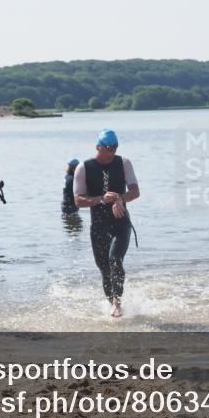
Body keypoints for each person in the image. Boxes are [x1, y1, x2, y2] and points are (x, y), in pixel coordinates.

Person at [73, 129, 141, 317]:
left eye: (115, 147)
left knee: (115, 258)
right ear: (98, 147)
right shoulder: (83, 167)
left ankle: (117, 303)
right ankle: (112, 301)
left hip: (121, 222)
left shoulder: (124, 163)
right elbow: (78, 200)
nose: (112, 151)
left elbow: (135, 191)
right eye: (109, 148)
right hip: (99, 225)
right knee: (104, 268)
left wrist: (120, 198)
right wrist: (102, 199)